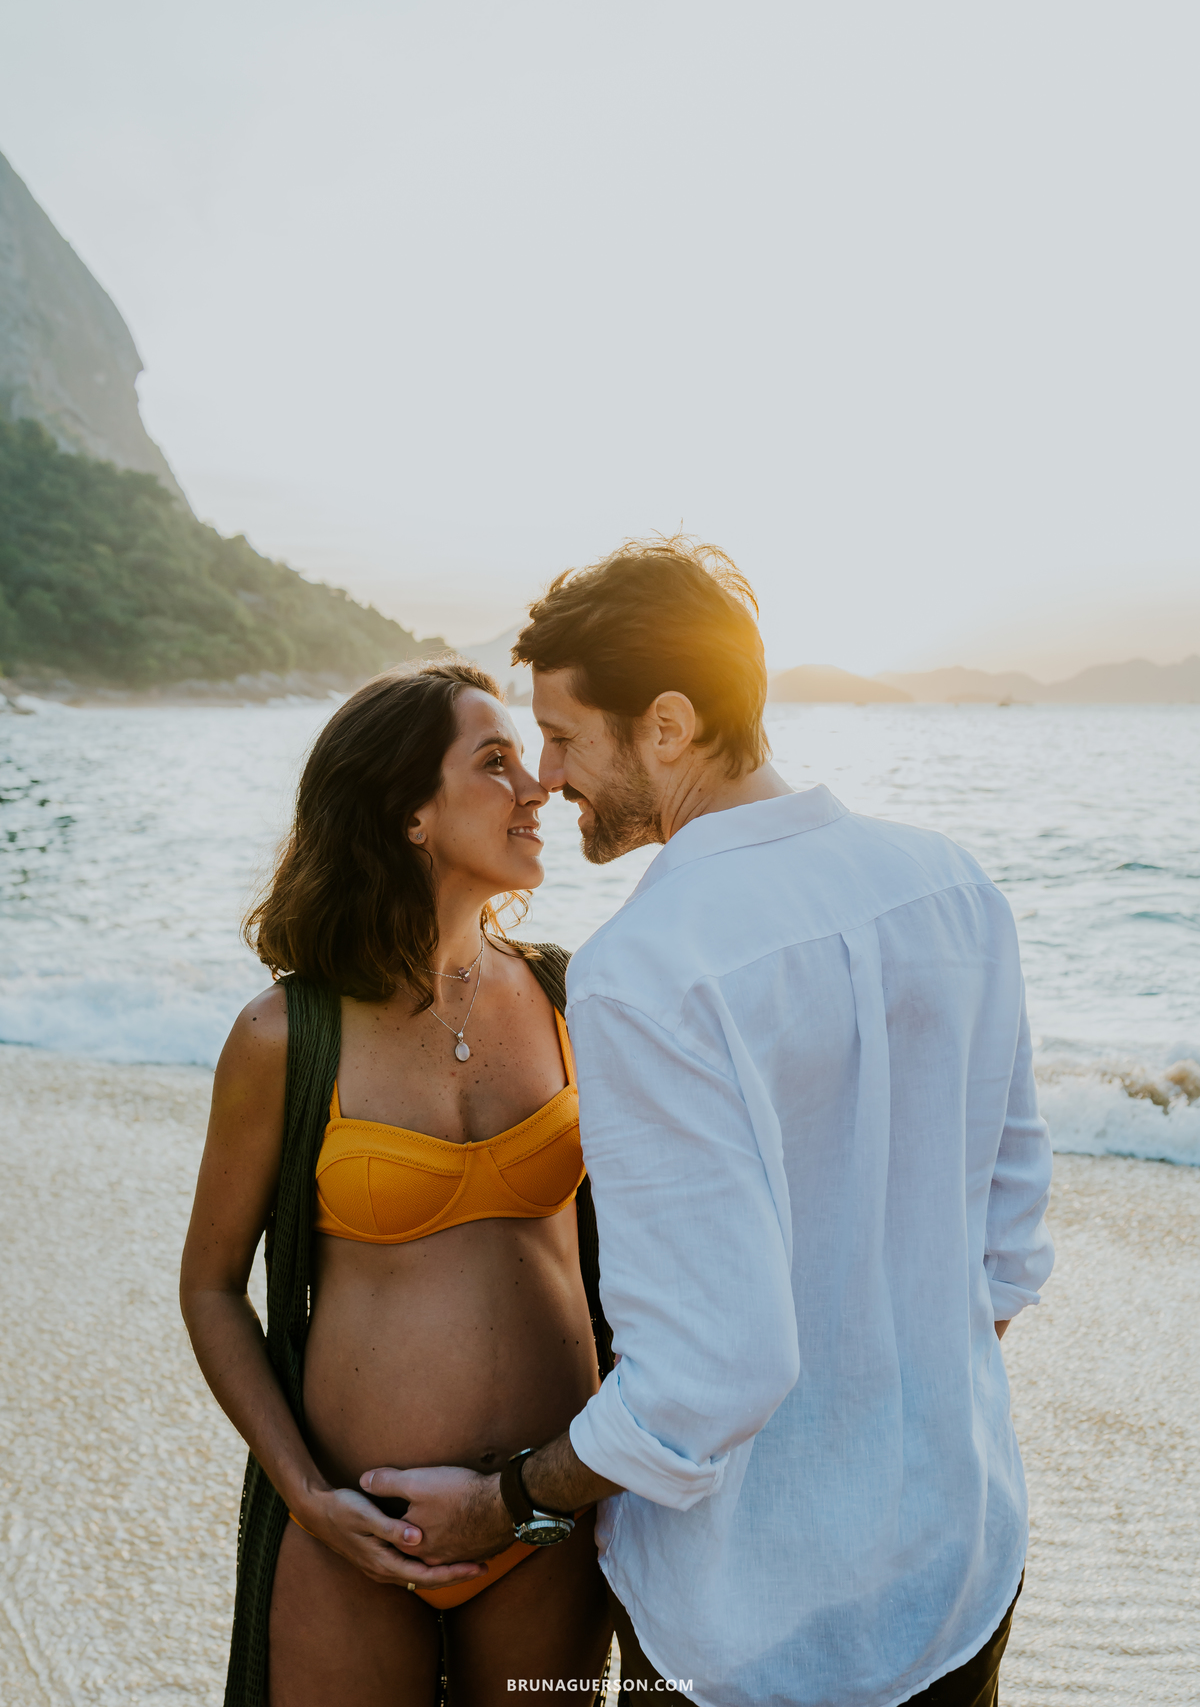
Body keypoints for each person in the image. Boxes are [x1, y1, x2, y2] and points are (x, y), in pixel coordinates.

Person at [363, 540, 1056, 1707]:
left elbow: (708, 1377)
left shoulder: (650, 968)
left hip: (750, 1627)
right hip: (958, 1561)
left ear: (669, 726)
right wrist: (884, 1418)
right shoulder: (953, 884)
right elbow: (1010, 1242)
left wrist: (506, 1501)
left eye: (569, 736)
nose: (548, 774)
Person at [179, 662, 614, 1707]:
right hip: (352, 1539)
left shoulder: (576, 997)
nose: (536, 786)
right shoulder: (286, 1036)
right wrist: (305, 1497)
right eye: (495, 761)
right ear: (409, 813)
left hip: (544, 1521)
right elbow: (209, 1287)